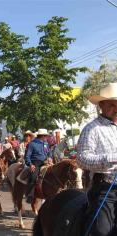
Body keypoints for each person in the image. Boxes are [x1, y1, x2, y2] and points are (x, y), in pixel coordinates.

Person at [77, 82, 117, 236]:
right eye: (112, 105)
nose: (116, 109)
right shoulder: (92, 129)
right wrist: (113, 158)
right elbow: (81, 159)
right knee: (102, 231)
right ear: (102, 105)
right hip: (106, 188)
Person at [24, 128, 50, 203]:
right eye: (46, 136)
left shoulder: (46, 143)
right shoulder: (32, 144)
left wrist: (50, 157)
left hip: (46, 162)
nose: (47, 137)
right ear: (42, 136)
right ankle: (30, 194)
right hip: (36, 163)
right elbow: (27, 156)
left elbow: (49, 153)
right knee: (33, 177)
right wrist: (30, 164)